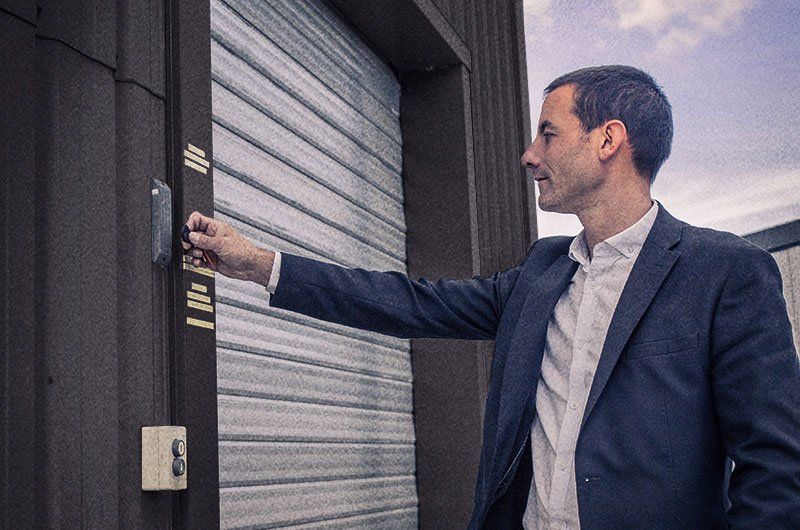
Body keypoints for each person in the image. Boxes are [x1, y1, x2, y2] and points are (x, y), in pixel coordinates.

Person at [182, 65, 800, 529]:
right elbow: (409, 302)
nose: (530, 154)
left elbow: (774, 465)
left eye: (548, 134)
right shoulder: (542, 272)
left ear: (609, 140)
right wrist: (259, 263)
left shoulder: (725, 273)